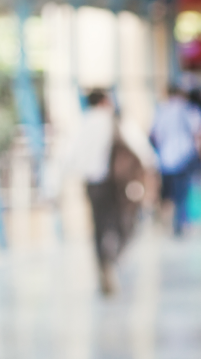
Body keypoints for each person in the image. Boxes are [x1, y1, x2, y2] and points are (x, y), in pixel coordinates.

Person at [63, 89, 155, 296]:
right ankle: (113, 256)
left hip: (91, 184)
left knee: (98, 226)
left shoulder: (81, 124)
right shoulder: (116, 121)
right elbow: (144, 151)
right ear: (105, 101)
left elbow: (67, 157)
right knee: (123, 221)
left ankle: (103, 261)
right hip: (116, 185)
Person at [150, 86, 201, 237]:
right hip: (185, 156)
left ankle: (167, 222)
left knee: (168, 193)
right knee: (183, 191)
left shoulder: (161, 111)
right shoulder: (190, 110)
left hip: (165, 159)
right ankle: (181, 222)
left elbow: (154, 135)